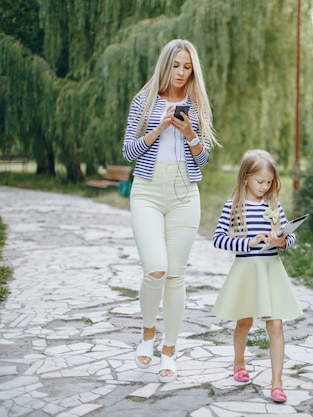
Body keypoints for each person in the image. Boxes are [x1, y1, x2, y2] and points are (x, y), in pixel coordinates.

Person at [122, 39, 220, 383]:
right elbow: (128, 152)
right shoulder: (143, 101)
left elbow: (203, 159)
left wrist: (191, 132)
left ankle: (169, 350)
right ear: (166, 65)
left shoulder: (198, 105)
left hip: (184, 195)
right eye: (176, 65)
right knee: (156, 270)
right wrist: (160, 127)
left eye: (187, 67)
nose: (181, 73)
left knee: (177, 277)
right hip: (147, 192)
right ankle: (147, 334)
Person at [211, 149, 303, 403]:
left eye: (269, 182)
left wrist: (282, 241)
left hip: (270, 270)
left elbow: (290, 236)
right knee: (245, 322)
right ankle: (239, 362)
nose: (265, 187)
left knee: (276, 324)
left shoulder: (273, 206)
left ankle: (277, 382)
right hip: (247, 272)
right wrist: (248, 243)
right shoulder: (234, 206)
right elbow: (218, 239)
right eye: (260, 181)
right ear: (245, 179)